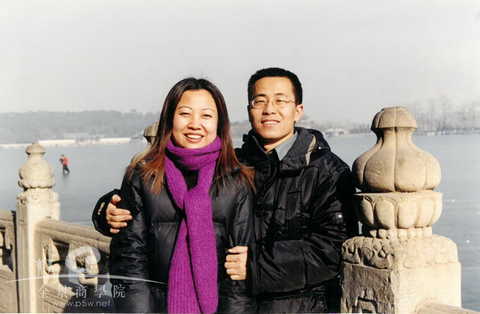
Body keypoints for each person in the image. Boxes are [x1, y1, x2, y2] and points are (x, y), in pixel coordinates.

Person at [93, 68, 358, 313]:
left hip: (298, 307)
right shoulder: (236, 165)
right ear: (249, 108)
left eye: (281, 101)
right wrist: (107, 210)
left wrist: (256, 265)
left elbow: (332, 249)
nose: (269, 110)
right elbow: (150, 202)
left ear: (298, 110)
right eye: (260, 101)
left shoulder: (326, 171)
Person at [106, 77, 256, 313]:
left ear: (220, 124)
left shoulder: (236, 181)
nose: (195, 124)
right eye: (185, 114)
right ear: (169, 119)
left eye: (206, 116)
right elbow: (128, 261)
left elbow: (238, 274)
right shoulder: (144, 176)